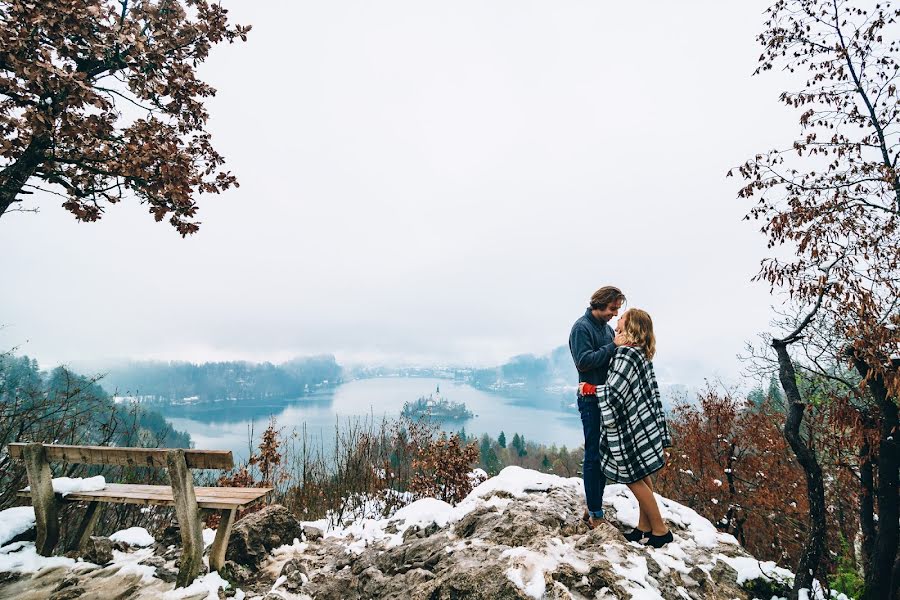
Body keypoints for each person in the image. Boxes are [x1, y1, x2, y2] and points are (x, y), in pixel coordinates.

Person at [579, 308, 673, 548]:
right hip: (639, 424)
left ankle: (661, 530)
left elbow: (615, 393)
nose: (617, 319)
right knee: (641, 475)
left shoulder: (626, 354)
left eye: (622, 317)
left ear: (630, 326)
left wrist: (589, 389)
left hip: (627, 429)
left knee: (632, 478)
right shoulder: (639, 352)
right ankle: (645, 527)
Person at [569, 286, 626, 528]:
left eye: (617, 309)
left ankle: (594, 506)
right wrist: (613, 346)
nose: (615, 313)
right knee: (593, 454)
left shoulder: (605, 329)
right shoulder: (581, 328)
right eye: (613, 308)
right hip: (591, 400)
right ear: (600, 304)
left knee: (602, 454)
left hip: (605, 399)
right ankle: (595, 513)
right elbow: (583, 362)